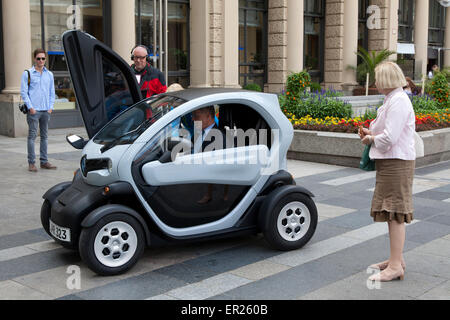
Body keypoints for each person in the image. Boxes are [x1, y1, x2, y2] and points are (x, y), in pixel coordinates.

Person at [359, 61, 416, 282]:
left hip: (396, 162)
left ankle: (395, 266)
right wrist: (370, 132)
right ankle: (396, 260)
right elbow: (386, 130)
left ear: (386, 80)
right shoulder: (393, 99)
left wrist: (370, 138)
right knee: (393, 212)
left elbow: (390, 137)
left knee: (395, 213)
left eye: (377, 78)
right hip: (392, 162)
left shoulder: (398, 101)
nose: (375, 83)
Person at [21, 48, 57, 172]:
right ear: (34, 59)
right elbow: (24, 92)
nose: (41, 60)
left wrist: (50, 107)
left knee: (45, 137)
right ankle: (31, 163)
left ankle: (44, 161)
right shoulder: (28, 73)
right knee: (32, 137)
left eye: (43, 58)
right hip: (34, 111)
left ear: (45, 59)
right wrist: (31, 108)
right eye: (38, 58)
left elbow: (52, 92)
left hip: (46, 110)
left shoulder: (49, 74)